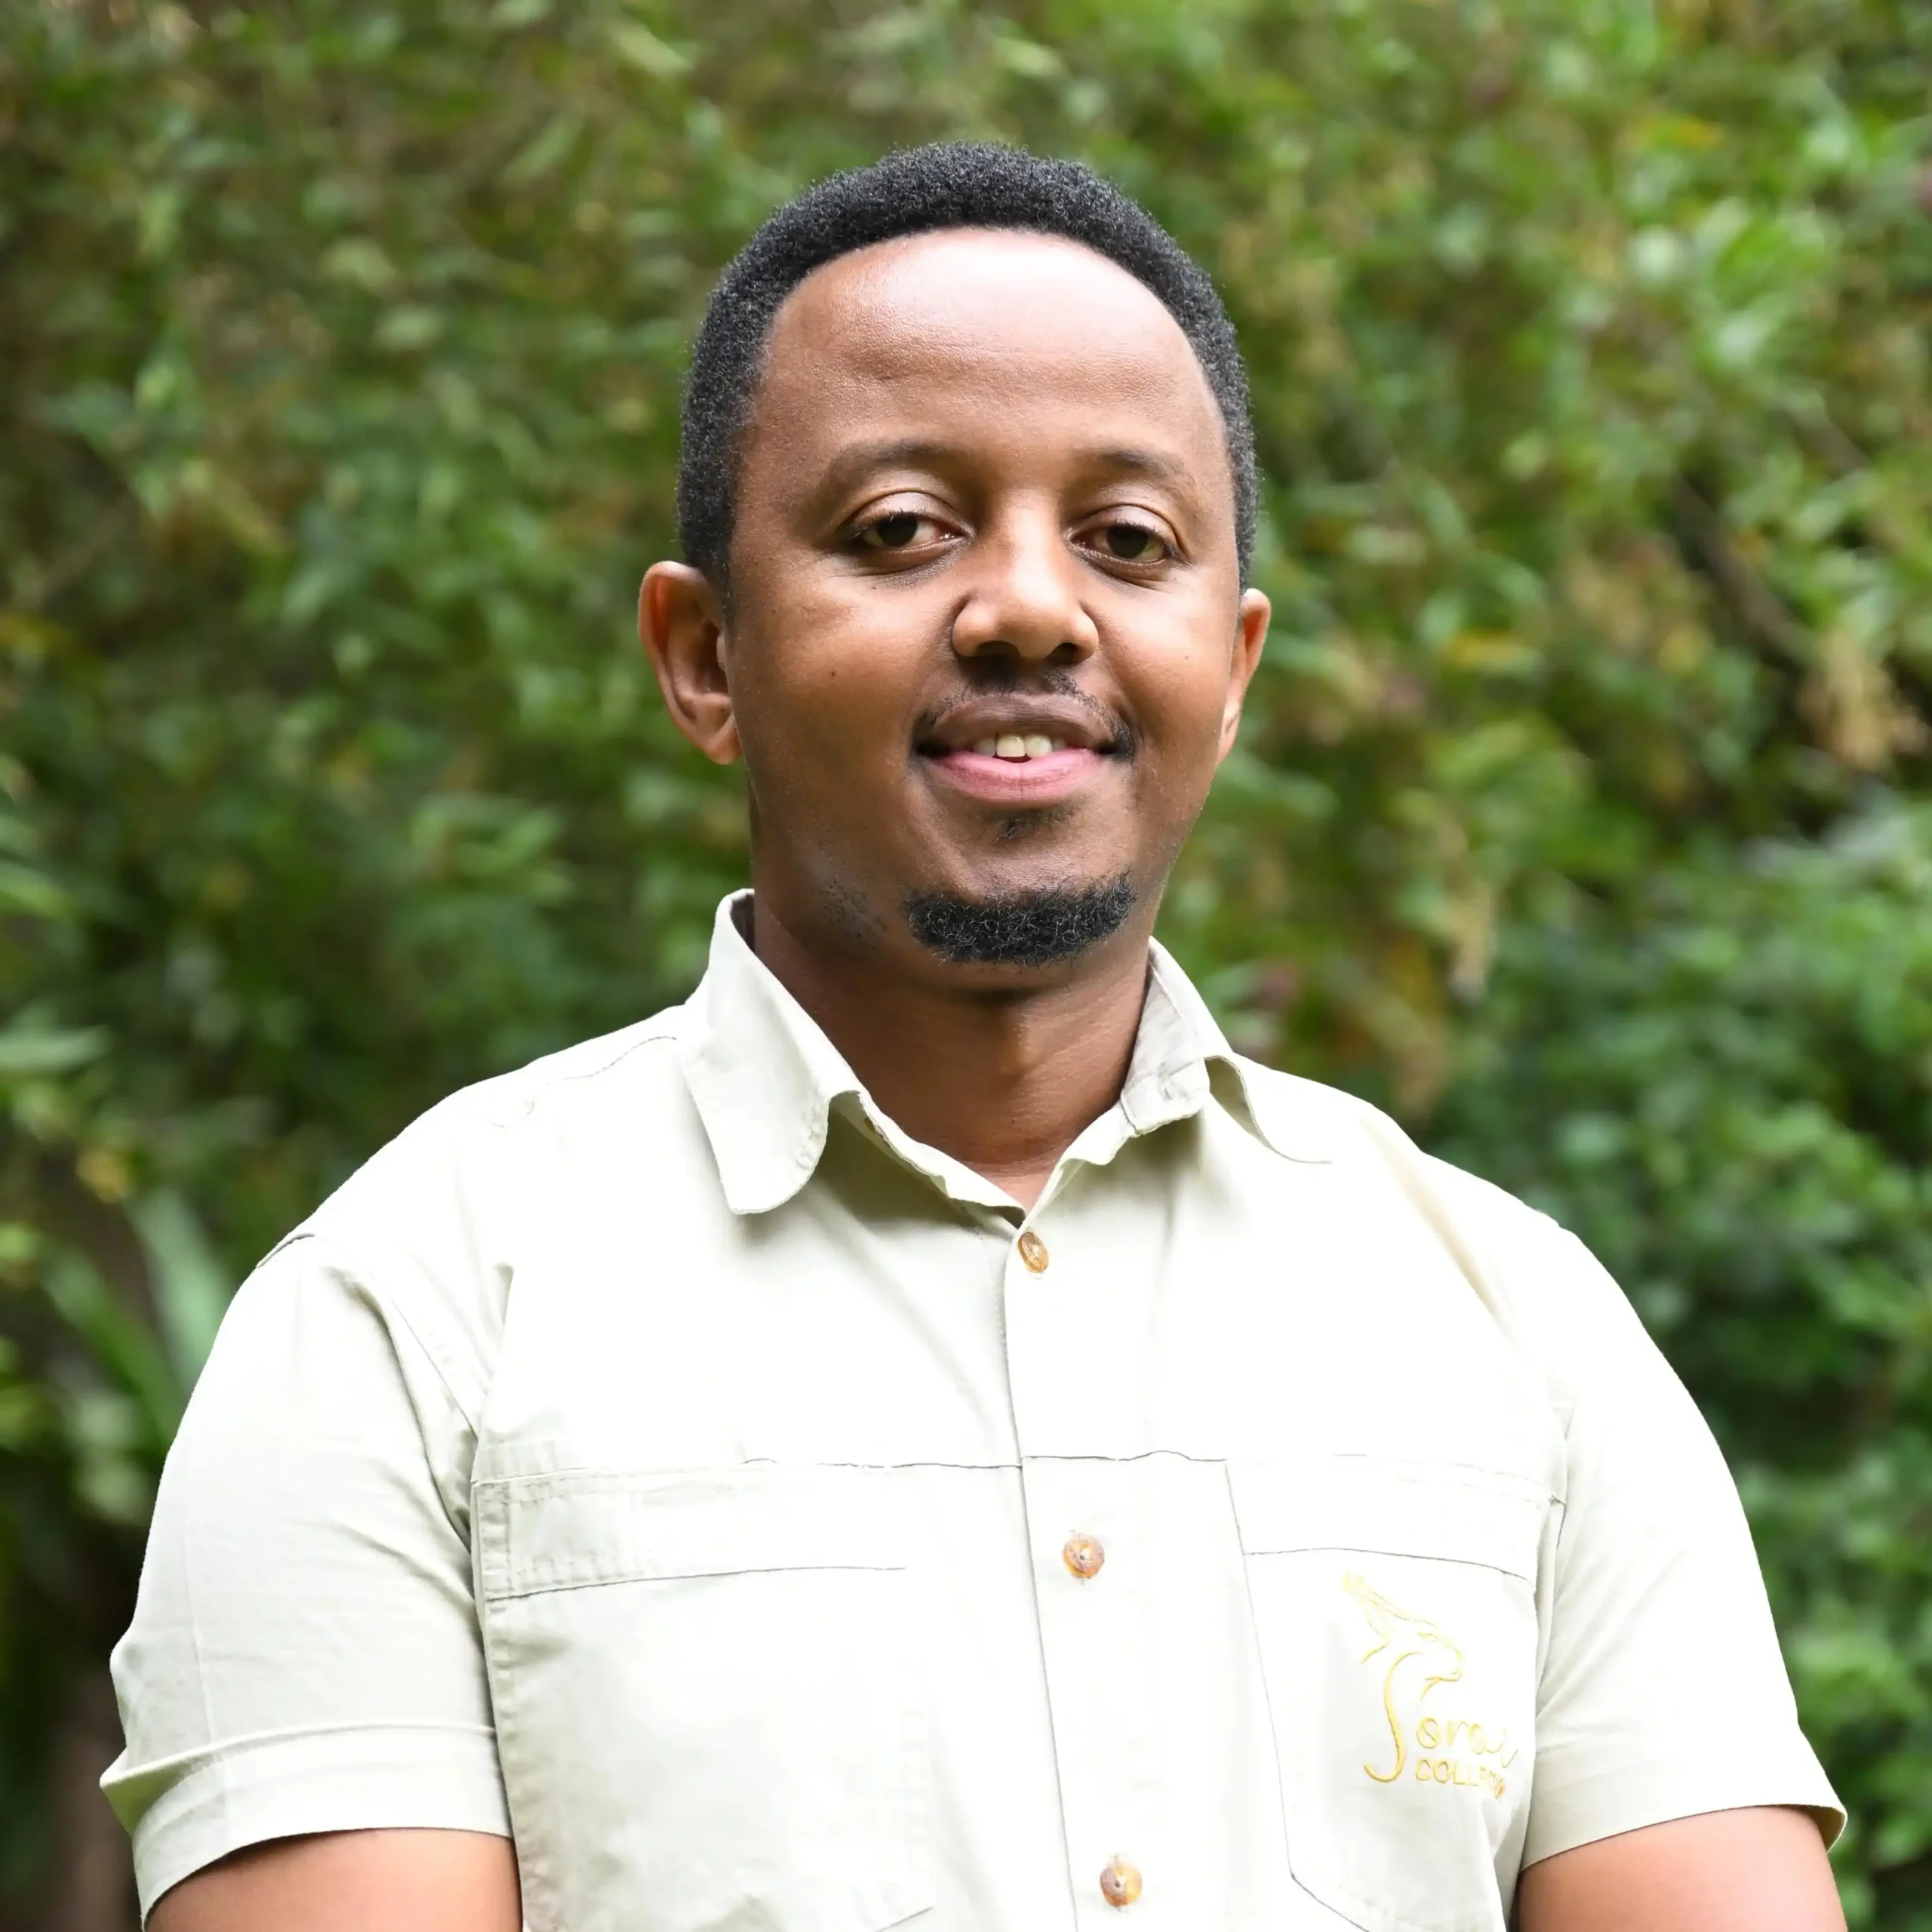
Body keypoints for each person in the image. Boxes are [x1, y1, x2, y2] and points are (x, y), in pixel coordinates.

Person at [104, 143, 1845, 1932]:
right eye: (899, 530)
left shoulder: (1519, 1328)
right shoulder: (411, 1322)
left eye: (1128, 541)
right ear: (704, 655)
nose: (1029, 605)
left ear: (1228, 667)